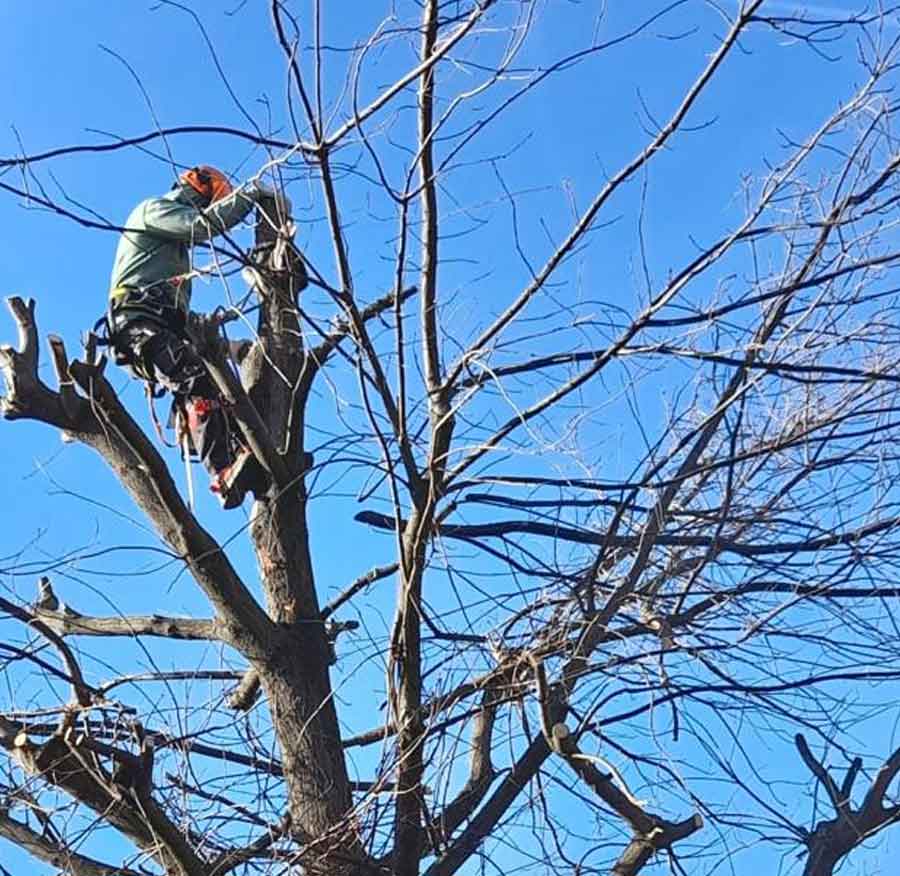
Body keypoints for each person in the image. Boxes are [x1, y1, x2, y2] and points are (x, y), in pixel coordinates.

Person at [107, 165, 279, 509]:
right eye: (213, 200)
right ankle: (224, 469)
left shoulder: (172, 257)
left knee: (217, 385)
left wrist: (232, 348)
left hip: (158, 326)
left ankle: (257, 466)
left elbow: (185, 324)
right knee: (195, 377)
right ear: (197, 189)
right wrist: (253, 193)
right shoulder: (154, 209)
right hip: (136, 323)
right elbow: (201, 226)